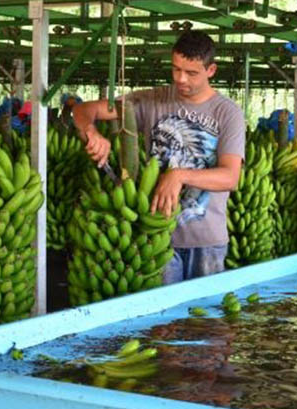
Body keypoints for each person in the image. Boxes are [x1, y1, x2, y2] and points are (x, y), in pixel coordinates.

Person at [72, 30, 245, 284]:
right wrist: (91, 131)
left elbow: (230, 177)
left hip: (206, 242)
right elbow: (83, 110)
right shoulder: (151, 100)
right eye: (176, 69)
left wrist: (178, 175)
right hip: (155, 238)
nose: (181, 79)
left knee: (206, 321)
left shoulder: (227, 113)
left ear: (211, 70)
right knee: (162, 321)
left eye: (191, 73)